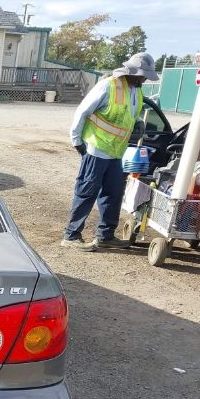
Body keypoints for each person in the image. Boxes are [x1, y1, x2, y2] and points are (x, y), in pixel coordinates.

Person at [61, 52, 159, 251]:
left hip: (116, 152)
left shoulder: (136, 90)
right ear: (132, 72)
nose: (144, 80)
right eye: (142, 76)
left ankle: (105, 236)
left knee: (113, 193)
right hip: (95, 148)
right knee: (86, 192)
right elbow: (82, 111)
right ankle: (71, 236)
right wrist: (76, 140)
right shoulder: (108, 86)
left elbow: (129, 115)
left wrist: (138, 123)